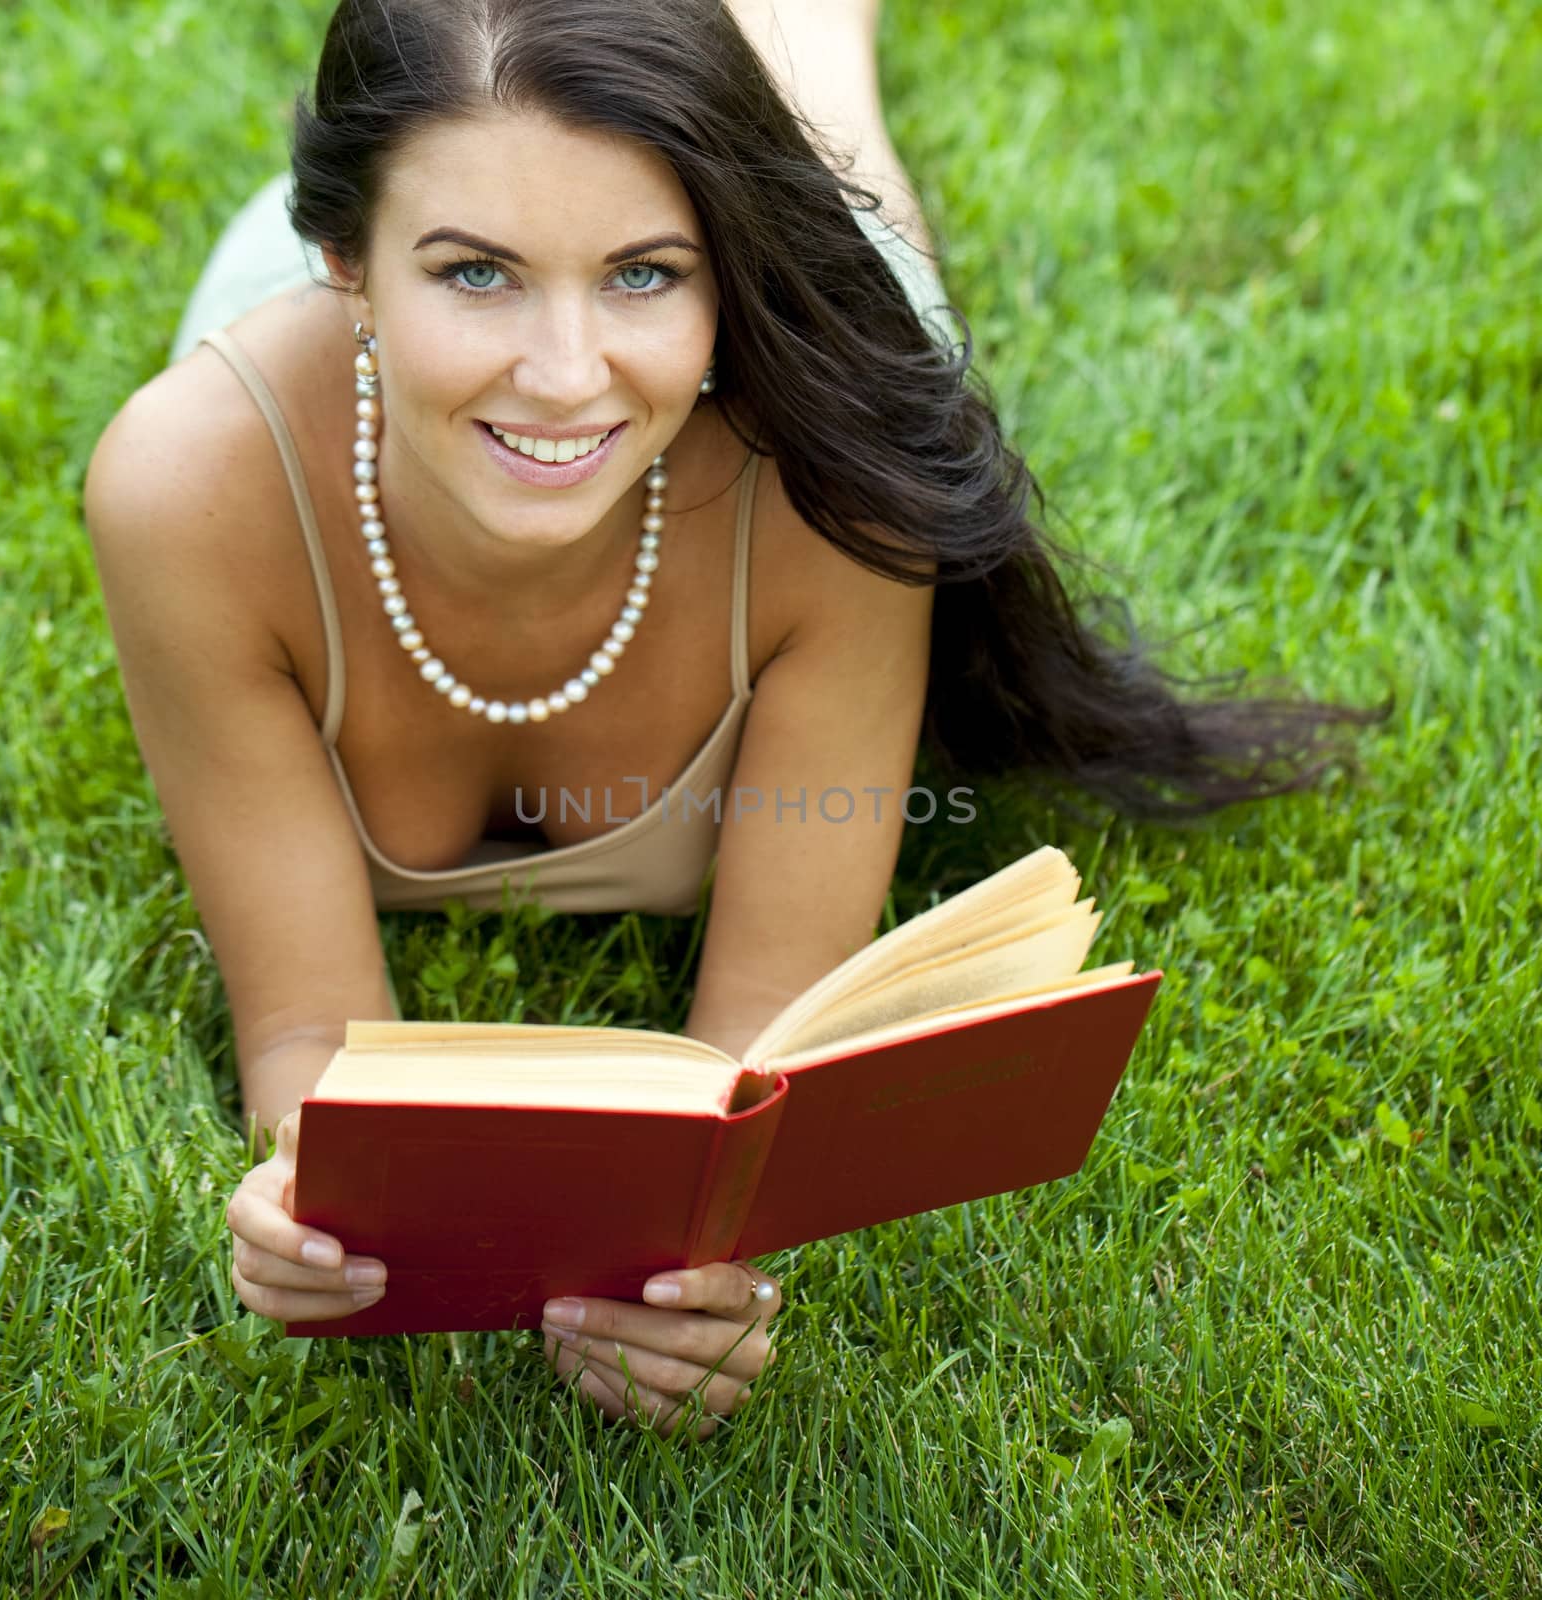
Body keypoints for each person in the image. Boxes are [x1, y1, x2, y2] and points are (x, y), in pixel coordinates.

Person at [82, 0, 1379, 1441]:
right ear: (351, 269)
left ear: (721, 277)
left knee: (843, 167)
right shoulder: (189, 493)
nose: (568, 373)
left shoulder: (844, 480)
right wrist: (304, 1196)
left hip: (779, 349)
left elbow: (757, 1058)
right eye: (478, 276)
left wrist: (711, 1263)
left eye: (647, 273)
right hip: (328, 343)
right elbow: (310, 1034)